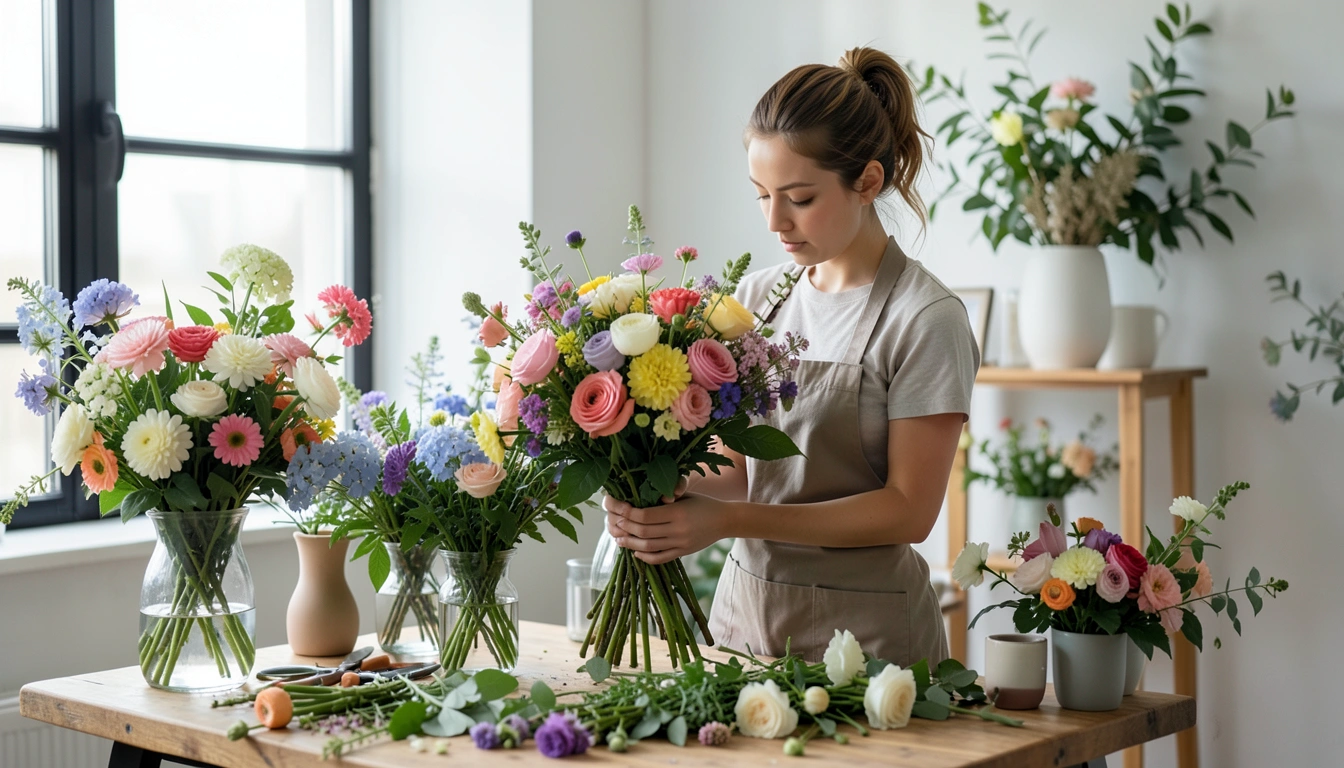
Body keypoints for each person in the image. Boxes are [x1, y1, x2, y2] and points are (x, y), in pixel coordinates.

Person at [603, 47, 980, 667]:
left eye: (799, 198)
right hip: (744, 621)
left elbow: (908, 511)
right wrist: (654, 488)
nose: (775, 221)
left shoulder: (925, 319)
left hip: (867, 643)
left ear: (868, 182)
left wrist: (730, 522)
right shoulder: (755, 300)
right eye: (761, 195)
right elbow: (739, 468)